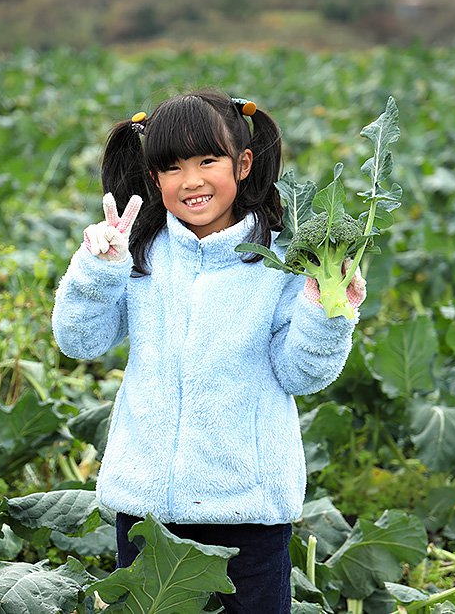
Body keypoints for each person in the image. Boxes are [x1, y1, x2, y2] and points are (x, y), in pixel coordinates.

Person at [51, 89, 366, 613]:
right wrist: (97, 269)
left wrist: (325, 311)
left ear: (242, 164)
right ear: (154, 179)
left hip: (248, 508)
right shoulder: (139, 252)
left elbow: (300, 374)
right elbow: (81, 341)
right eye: (172, 167)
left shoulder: (283, 260)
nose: (191, 180)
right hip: (148, 507)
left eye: (208, 160)